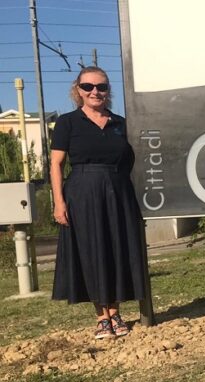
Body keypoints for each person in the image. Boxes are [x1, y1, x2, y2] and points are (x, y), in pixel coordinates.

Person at [51, 67, 148, 338]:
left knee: (116, 248)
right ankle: (101, 317)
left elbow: (130, 161)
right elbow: (56, 164)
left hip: (117, 191)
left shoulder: (121, 123)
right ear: (78, 90)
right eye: (88, 86)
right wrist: (59, 202)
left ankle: (115, 312)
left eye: (101, 87)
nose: (95, 92)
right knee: (90, 251)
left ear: (108, 90)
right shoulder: (67, 123)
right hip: (81, 194)